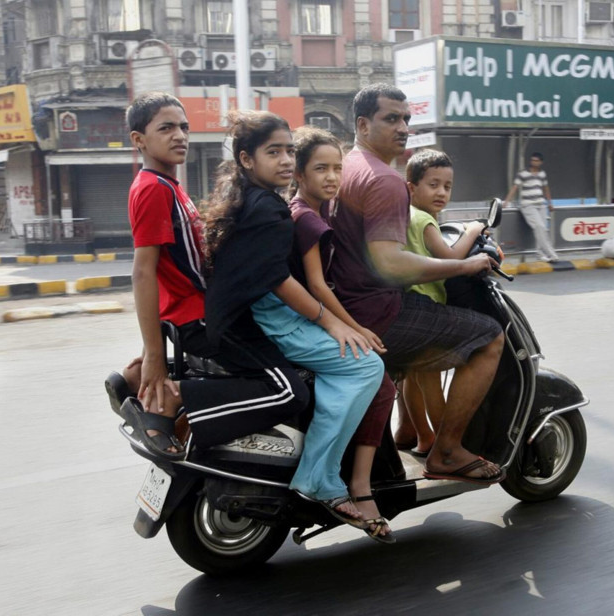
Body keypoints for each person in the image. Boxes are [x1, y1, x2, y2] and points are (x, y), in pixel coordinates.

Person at [202, 111, 384, 534]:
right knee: (366, 365)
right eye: (274, 152)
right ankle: (319, 478)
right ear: (247, 160)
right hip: (266, 321)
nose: (285, 160)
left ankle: (320, 473)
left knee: (352, 364)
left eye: (288, 150)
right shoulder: (271, 209)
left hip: (248, 315)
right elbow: (281, 282)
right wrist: (336, 325)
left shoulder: (250, 196)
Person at [330, 82, 506, 485]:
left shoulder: (348, 166)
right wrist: (466, 265)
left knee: (419, 349)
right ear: (362, 124)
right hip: (377, 310)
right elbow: (391, 264)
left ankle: (409, 432)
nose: (403, 127)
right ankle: (445, 450)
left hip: (347, 305)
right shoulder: (385, 179)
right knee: (489, 336)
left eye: (406, 118)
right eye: (391, 118)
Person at [121, 92, 308, 461]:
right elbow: (143, 273)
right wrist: (155, 355)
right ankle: (175, 401)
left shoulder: (170, 186)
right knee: (288, 391)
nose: (179, 135)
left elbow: (173, 268)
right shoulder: (152, 190)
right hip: (201, 319)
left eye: (184, 127)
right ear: (138, 140)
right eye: (166, 128)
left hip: (203, 312)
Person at [287, 125, 395, 543]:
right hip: (302, 319)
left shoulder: (320, 211)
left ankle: (341, 476)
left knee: (374, 377)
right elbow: (316, 284)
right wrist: (353, 327)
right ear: (299, 174)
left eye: (337, 168)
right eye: (321, 169)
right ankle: (330, 477)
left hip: (309, 317)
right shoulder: (307, 218)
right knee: (374, 374)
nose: (332, 177)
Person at [401, 149, 488, 457]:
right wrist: (473, 230)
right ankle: (445, 446)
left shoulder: (406, 214)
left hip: (406, 304)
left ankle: (421, 436)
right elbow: (451, 257)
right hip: (427, 307)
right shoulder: (424, 219)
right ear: (412, 187)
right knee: (432, 379)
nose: (441, 192)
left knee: (415, 377)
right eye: (433, 184)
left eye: (447, 186)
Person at [502, 152, 559, 263]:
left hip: (541, 204)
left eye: (536, 160)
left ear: (541, 162)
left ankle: (539, 254)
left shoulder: (542, 174)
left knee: (542, 229)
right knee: (539, 226)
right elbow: (515, 187)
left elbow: (545, 188)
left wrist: (550, 203)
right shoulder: (523, 173)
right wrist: (506, 201)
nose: (534, 162)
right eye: (532, 160)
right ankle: (551, 254)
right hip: (527, 204)